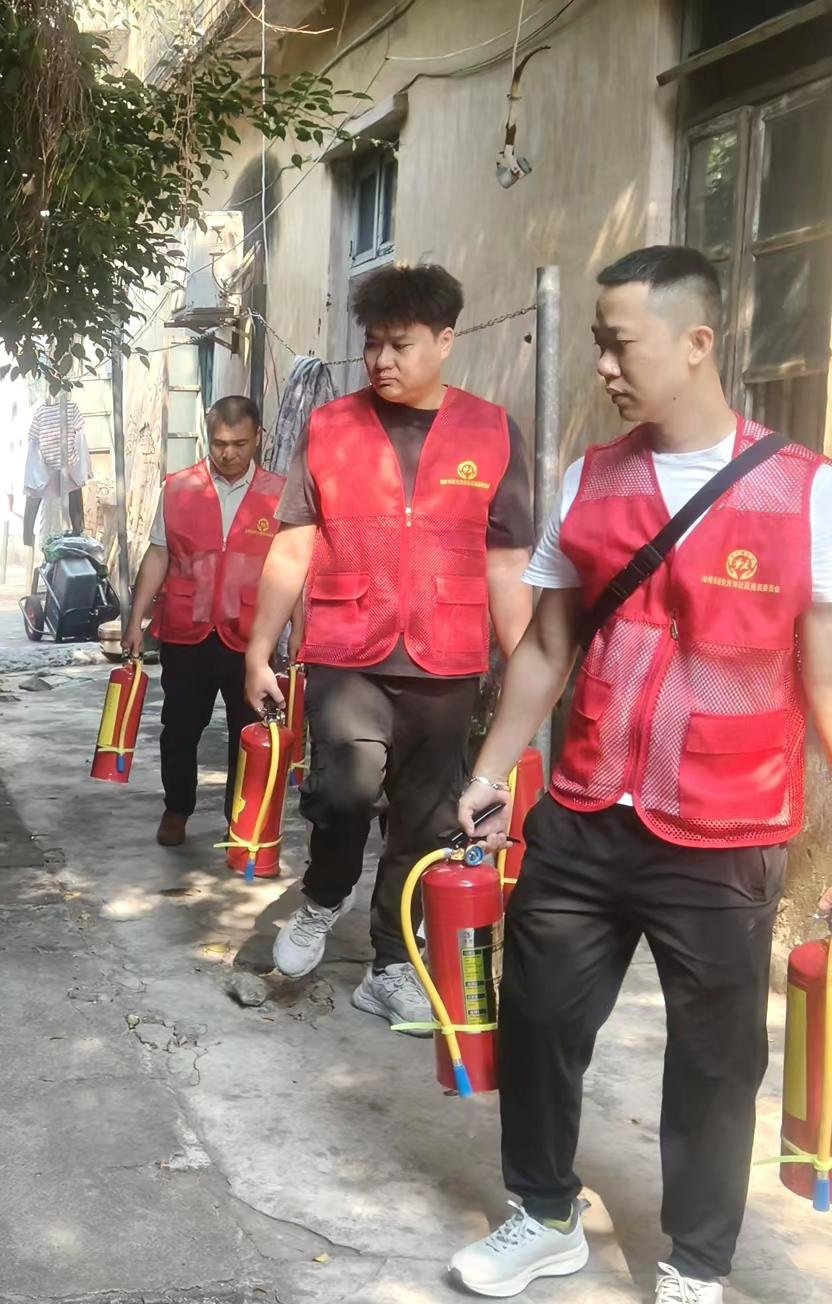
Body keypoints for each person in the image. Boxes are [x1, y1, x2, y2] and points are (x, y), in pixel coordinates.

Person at [446, 246, 832, 1304]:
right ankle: (543, 1214)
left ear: (696, 342)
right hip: (584, 808)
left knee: (714, 1062)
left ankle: (696, 1264)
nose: (605, 366)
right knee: (537, 1017)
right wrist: (491, 770)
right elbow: (545, 646)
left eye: (620, 344)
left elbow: (823, 681)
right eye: (598, 345)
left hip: (724, 828)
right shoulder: (590, 479)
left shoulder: (806, 493)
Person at [242, 262, 534, 1027]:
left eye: (400, 345)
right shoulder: (331, 427)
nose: (381, 360)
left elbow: (507, 563)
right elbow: (292, 544)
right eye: (372, 344)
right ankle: (322, 897)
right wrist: (259, 648)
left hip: (449, 657)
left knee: (426, 820)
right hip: (348, 648)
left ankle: (391, 963)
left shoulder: (492, 431)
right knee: (344, 792)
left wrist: (530, 666)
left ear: (445, 340)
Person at [121, 396, 285, 847]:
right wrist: (135, 620)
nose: (228, 454)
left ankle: (241, 820)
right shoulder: (178, 488)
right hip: (185, 630)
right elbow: (159, 554)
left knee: (248, 731)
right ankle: (177, 809)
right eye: (219, 444)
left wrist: (299, 632)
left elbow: (292, 568)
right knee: (179, 728)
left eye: (240, 444)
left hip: (250, 637)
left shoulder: (280, 494)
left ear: (258, 439)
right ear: (206, 438)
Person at [21, 387, 90, 546]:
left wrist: (79, 466)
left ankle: (77, 534)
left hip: (66, 465)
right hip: (50, 465)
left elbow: (80, 438)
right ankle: (29, 538)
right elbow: (33, 443)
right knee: (35, 496)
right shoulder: (40, 413)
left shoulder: (71, 409)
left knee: (72, 498)